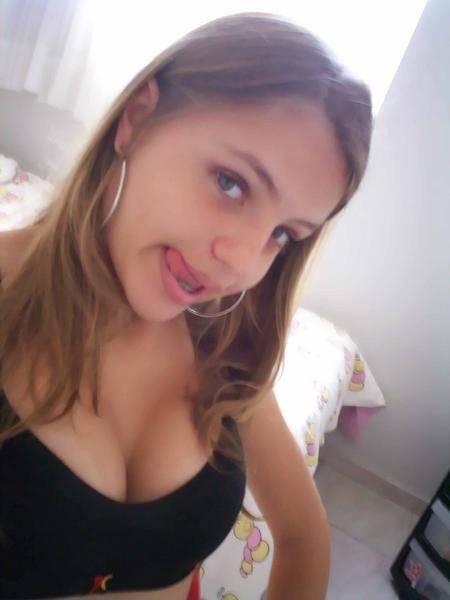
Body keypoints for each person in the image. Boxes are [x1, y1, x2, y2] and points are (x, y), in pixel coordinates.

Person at [0, 11, 372, 600]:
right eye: (231, 183)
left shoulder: (229, 350)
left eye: (282, 234)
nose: (241, 264)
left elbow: (303, 535)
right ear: (137, 119)